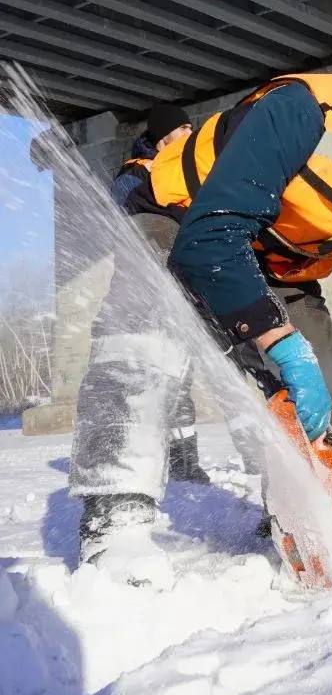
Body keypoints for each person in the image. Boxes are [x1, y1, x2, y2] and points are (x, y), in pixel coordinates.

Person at [71, 71, 332, 571]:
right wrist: (279, 340)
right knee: (146, 330)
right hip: (182, 217)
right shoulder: (304, 114)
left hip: (266, 259)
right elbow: (210, 240)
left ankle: (304, 509)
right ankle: (114, 515)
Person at [108, 104, 210, 485]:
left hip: (183, 287)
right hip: (145, 291)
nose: (187, 137)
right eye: (180, 131)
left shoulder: (193, 169)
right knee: (147, 375)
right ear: (162, 137)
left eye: (189, 129)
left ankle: (185, 461)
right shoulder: (135, 174)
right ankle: (134, 457)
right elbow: (123, 223)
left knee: (180, 372)